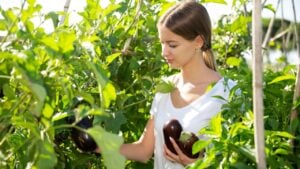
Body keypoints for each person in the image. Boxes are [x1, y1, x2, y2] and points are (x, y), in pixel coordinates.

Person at [97, 0, 236, 168]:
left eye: (172, 45)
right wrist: (98, 145)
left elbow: (237, 159)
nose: (164, 52)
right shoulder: (165, 88)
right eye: (162, 43)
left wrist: (198, 164)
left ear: (198, 42)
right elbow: (143, 150)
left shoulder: (227, 92)